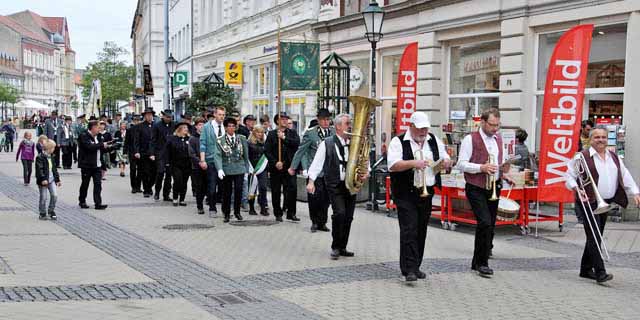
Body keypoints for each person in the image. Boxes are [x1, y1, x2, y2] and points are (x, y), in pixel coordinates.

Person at [565, 127, 640, 283]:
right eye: (597, 137)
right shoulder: (581, 157)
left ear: (607, 139)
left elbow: (625, 175)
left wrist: (635, 192)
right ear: (591, 139)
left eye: (603, 137)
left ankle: (585, 270)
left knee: (595, 235)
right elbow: (569, 175)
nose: (600, 140)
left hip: (605, 202)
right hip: (588, 201)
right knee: (594, 236)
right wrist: (575, 187)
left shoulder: (614, 156)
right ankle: (600, 272)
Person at [388, 112, 452, 282]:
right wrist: (413, 163)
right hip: (405, 192)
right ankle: (408, 268)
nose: (423, 132)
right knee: (409, 229)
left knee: (421, 229)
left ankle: (416, 265)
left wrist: (446, 162)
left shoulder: (433, 140)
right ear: (411, 126)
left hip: (427, 191)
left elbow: (445, 156)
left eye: (426, 128)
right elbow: (393, 165)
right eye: (420, 129)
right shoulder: (398, 141)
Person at [457, 108, 513, 278]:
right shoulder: (470, 139)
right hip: (476, 186)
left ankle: (477, 261)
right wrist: (481, 167)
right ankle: (483, 263)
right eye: (492, 125)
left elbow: (498, 162)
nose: (495, 129)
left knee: (490, 225)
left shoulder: (498, 138)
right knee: (485, 222)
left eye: (498, 125)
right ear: (482, 122)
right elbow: (461, 164)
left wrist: (504, 172)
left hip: (494, 186)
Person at [307, 114, 366, 260]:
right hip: (334, 184)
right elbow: (317, 163)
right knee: (339, 213)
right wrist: (311, 181)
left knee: (349, 217)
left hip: (351, 184)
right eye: (348, 123)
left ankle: (343, 246)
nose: (350, 126)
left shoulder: (355, 142)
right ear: (338, 126)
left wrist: (366, 173)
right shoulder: (327, 143)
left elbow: (364, 161)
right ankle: (335, 246)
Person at [289, 108, 333, 232]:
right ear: (318, 120)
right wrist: (293, 167)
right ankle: (314, 221)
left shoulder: (333, 132)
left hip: (329, 172)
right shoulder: (311, 133)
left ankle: (322, 222)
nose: (325, 122)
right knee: (314, 198)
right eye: (323, 120)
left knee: (326, 199)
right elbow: (301, 150)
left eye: (328, 119)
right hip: (315, 171)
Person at [265, 112, 300, 222]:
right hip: (277, 168)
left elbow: (296, 144)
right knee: (276, 191)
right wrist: (275, 162)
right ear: (277, 121)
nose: (284, 121)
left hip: (289, 167)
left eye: (286, 119)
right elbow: (267, 151)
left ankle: (291, 213)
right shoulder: (271, 134)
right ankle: (278, 213)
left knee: (292, 189)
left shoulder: (293, 133)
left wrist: (284, 138)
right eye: (282, 119)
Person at [215, 117, 251, 223]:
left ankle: (237, 212)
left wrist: (246, 169)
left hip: (239, 168)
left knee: (239, 190)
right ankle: (226, 213)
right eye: (229, 126)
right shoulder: (220, 140)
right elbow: (217, 155)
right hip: (227, 168)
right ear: (225, 128)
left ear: (235, 127)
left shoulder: (242, 138)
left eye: (233, 126)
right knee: (227, 192)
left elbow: (246, 154)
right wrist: (219, 169)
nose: (231, 128)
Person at [78, 120, 112, 210]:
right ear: (92, 127)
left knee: (98, 184)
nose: (99, 129)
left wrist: (110, 147)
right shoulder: (84, 136)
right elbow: (89, 147)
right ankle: (82, 201)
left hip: (97, 165)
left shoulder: (99, 137)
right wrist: (102, 145)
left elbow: (101, 149)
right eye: (98, 127)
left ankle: (98, 203)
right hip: (87, 165)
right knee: (85, 184)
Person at [199, 106, 226, 215]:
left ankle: (225, 210)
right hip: (211, 160)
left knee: (224, 186)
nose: (222, 117)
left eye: (223, 115)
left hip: (224, 161)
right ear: (215, 114)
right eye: (220, 114)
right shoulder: (207, 127)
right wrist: (202, 160)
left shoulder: (226, 126)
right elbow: (203, 143)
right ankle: (212, 207)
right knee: (212, 185)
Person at [164, 122, 192, 206]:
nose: (186, 129)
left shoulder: (189, 139)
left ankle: (182, 199)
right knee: (178, 181)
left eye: (187, 128)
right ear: (179, 129)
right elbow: (167, 151)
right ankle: (175, 197)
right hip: (175, 164)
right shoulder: (172, 139)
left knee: (184, 182)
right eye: (184, 128)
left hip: (187, 164)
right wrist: (167, 162)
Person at [151, 109, 175, 201]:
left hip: (170, 153)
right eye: (167, 117)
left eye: (170, 117)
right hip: (160, 152)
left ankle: (166, 194)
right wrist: (152, 153)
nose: (169, 118)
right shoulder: (157, 126)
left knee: (169, 175)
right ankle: (157, 192)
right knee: (160, 173)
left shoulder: (174, 125)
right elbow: (153, 140)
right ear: (163, 116)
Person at [35, 139, 61, 220]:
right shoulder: (40, 157)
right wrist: (43, 179)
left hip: (51, 180)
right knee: (44, 197)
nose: (54, 149)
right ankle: (42, 213)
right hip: (43, 181)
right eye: (53, 148)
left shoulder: (52, 157)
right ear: (49, 148)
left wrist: (57, 180)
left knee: (54, 196)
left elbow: (54, 169)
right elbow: (39, 169)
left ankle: (51, 211)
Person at [134, 108, 157, 197]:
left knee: (154, 173)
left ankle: (149, 186)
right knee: (145, 172)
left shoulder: (156, 125)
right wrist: (137, 151)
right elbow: (136, 140)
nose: (149, 116)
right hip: (143, 152)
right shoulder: (139, 126)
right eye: (147, 115)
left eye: (150, 115)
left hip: (154, 153)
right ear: (144, 116)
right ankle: (146, 190)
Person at [247, 125, 269, 216]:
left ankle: (263, 208)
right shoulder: (248, 143)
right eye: (258, 132)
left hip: (262, 168)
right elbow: (246, 156)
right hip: (252, 168)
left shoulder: (265, 143)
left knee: (263, 188)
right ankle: (251, 208)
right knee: (252, 189)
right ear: (254, 132)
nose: (260, 134)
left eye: (261, 132)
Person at [189, 117, 208, 215]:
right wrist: (200, 162)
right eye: (200, 125)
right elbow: (191, 154)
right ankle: (199, 206)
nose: (202, 126)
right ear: (196, 126)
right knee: (199, 187)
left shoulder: (208, 137)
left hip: (208, 165)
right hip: (197, 167)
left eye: (203, 124)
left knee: (207, 186)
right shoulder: (193, 138)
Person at [125, 115, 141, 192]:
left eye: (138, 120)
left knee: (141, 170)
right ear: (133, 121)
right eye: (135, 120)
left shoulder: (142, 129)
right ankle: (133, 187)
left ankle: (138, 186)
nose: (137, 122)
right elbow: (126, 142)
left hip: (141, 152)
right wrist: (125, 152)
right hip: (132, 152)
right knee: (133, 169)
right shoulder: (130, 130)